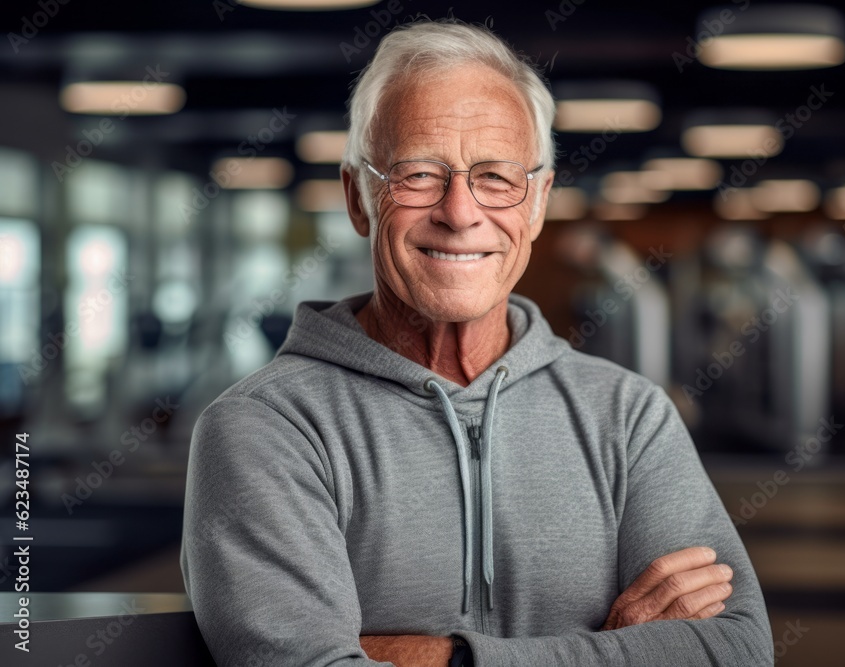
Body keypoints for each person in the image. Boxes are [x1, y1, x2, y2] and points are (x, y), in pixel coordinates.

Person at [180, 18, 773, 666]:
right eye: (418, 174)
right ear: (358, 197)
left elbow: (736, 649)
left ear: (539, 202)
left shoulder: (628, 417)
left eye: (495, 177)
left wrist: (430, 656)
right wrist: (615, 649)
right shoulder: (265, 428)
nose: (460, 213)